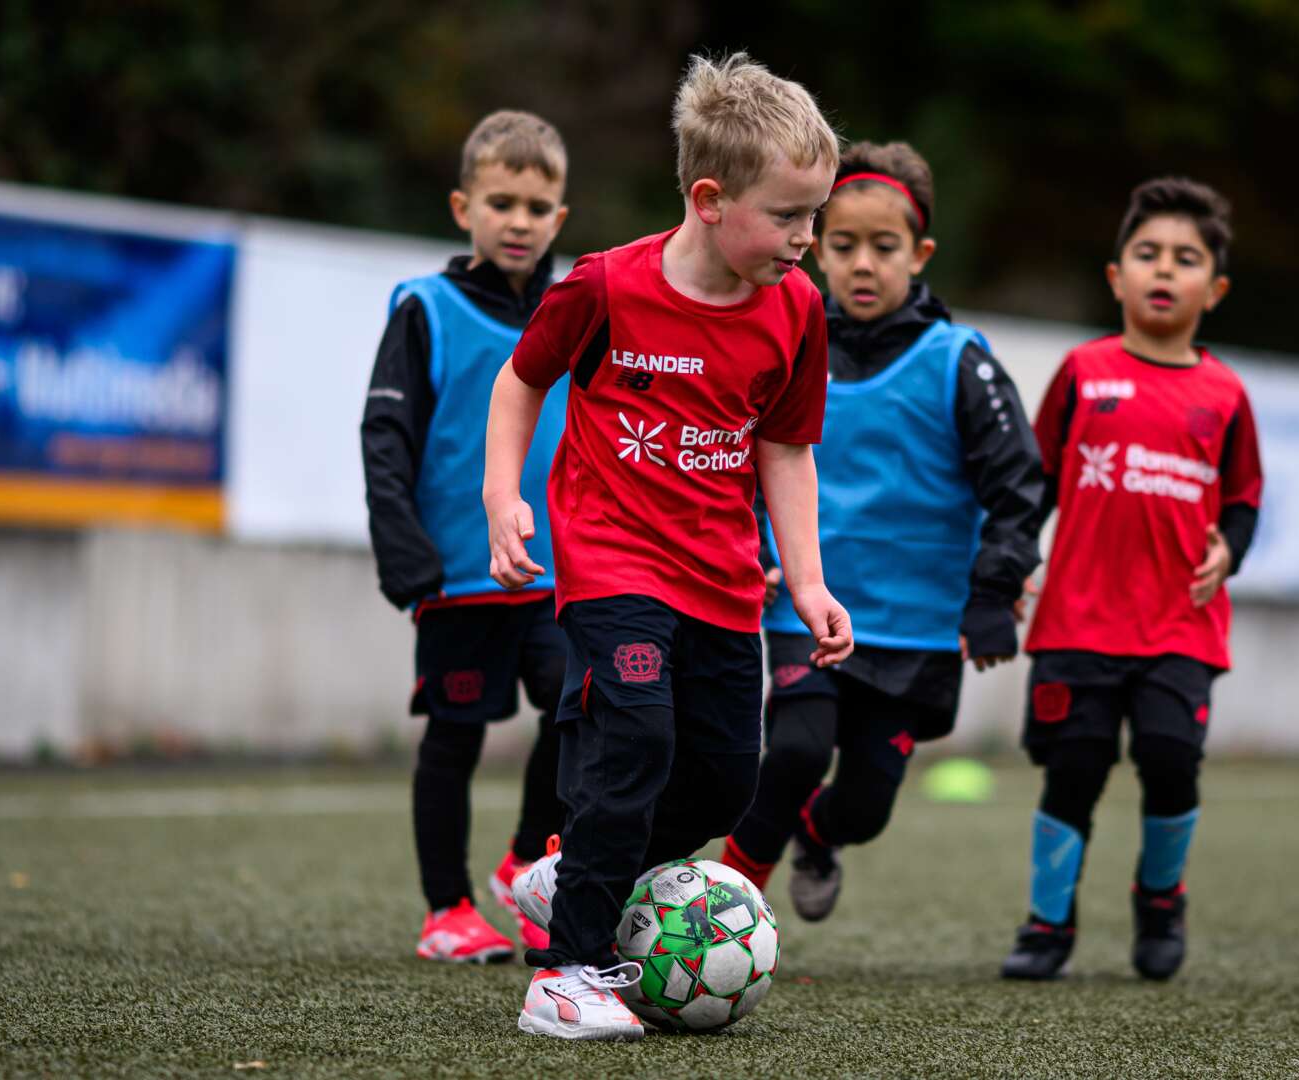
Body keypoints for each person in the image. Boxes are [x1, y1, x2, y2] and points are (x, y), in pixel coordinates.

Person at [481, 53, 851, 1040]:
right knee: (635, 733)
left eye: (815, 218)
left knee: (730, 778)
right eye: (787, 217)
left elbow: (785, 444)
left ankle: (577, 872)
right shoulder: (605, 288)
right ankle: (565, 977)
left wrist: (808, 580)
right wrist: (503, 497)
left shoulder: (798, 312)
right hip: (611, 563)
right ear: (709, 198)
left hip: (726, 582)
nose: (806, 242)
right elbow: (520, 383)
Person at [715, 141, 1045, 923]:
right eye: (844, 244)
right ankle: (727, 905)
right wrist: (748, 552)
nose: (863, 264)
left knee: (863, 807)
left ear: (920, 254)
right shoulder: (784, 337)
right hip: (805, 605)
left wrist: (993, 592)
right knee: (795, 749)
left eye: (884, 246)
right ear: (817, 247)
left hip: (916, 633)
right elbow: (731, 456)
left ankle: (818, 836)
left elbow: (1020, 486)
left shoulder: (960, 362)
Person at [1001, 178, 1263, 983]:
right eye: (1147, 253)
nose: (1164, 269)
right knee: (1073, 771)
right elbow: (1031, 483)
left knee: (1169, 758)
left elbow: (1245, 499)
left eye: (1186, 259)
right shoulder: (1083, 372)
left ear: (1213, 290)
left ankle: (1160, 902)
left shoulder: (1225, 393)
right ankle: (1049, 925)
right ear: (1116, 275)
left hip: (1180, 626)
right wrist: (1015, 559)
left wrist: (1231, 554)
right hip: (1077, 622)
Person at [359, 110, 573, 964]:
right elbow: (386, 439)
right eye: (501, 201)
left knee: (579, 706)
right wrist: (403, 550)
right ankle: (445, 909)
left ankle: (526, 859)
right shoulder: (424, 310)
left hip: (562, 570)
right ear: (463, 208)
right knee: (455, 736)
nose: (518, 220)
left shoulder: (577, 308)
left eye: (536, 205)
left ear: (560, 217)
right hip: (456, 574)